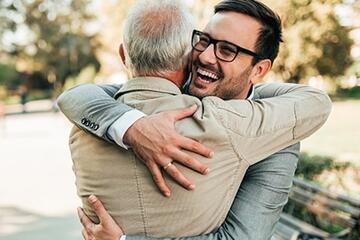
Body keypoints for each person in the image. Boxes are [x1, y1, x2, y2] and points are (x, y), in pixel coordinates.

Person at [58, 0, 332, 239]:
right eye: (204, 40)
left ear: (259, 69)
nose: (205, 55)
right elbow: (77, 96)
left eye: (227, 50)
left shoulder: (275, 133)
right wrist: (131, 126)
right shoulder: (126, 107)